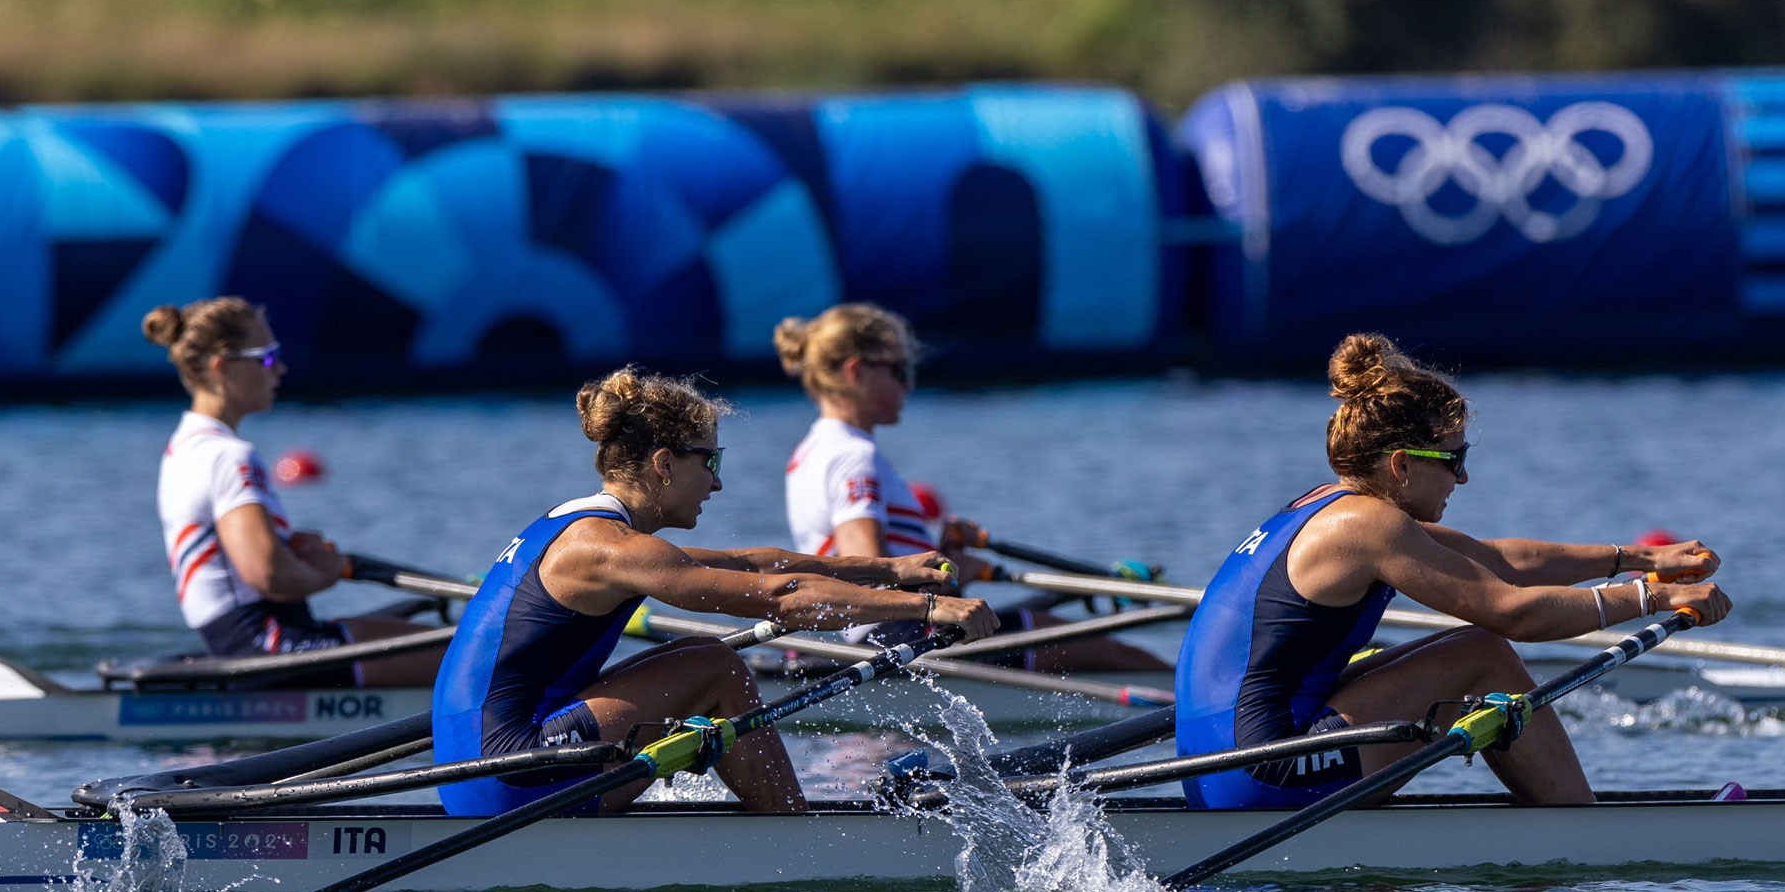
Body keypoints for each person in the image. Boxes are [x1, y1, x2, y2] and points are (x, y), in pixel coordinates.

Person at [1175, 333, 1732, 809]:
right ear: (1401, 464)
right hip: (1261, 770)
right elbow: (1512, 611)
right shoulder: (1369, 526)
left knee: (1468, 645)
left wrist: (1642, 558)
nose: (1462, 479)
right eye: (1454, 459)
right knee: (1481, 654)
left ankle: (1571, 814)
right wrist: (1649, 599)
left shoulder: (1324, 507)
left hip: (1214, 768)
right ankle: (1583, 829)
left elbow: (1498, 562)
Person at [432, 367, 998, 818]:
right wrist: (930, 608)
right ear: (663, 464)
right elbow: (780, 597)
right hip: (505, 778)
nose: (719, 481)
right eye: (711, 461)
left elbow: (750, 562)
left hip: (476, 768)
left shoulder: (581, 527)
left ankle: (775, 818)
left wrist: (891, 570)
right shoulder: (611, 548)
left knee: (696, 658)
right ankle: (788, 842)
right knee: (714, 665)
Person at [776, 302, 1168, 672]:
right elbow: (871, 570)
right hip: (901, 638)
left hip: (866, 636)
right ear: (855, 372)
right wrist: (957, 572)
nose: (908, 385)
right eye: (899, 370)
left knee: (1075, 638)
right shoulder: (852, 454)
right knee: (1121, 656)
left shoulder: (810, 451)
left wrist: (941, 555)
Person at [143, 297, 443, 687]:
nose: (279, 369)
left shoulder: (183, 446)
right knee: (480, 660)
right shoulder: (228, 456)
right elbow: (271, 576)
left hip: (241, 642)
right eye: (266, 358)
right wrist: (327, 571)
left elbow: (240, 561)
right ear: (223, 368)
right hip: (269, 648)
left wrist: (289, 547)